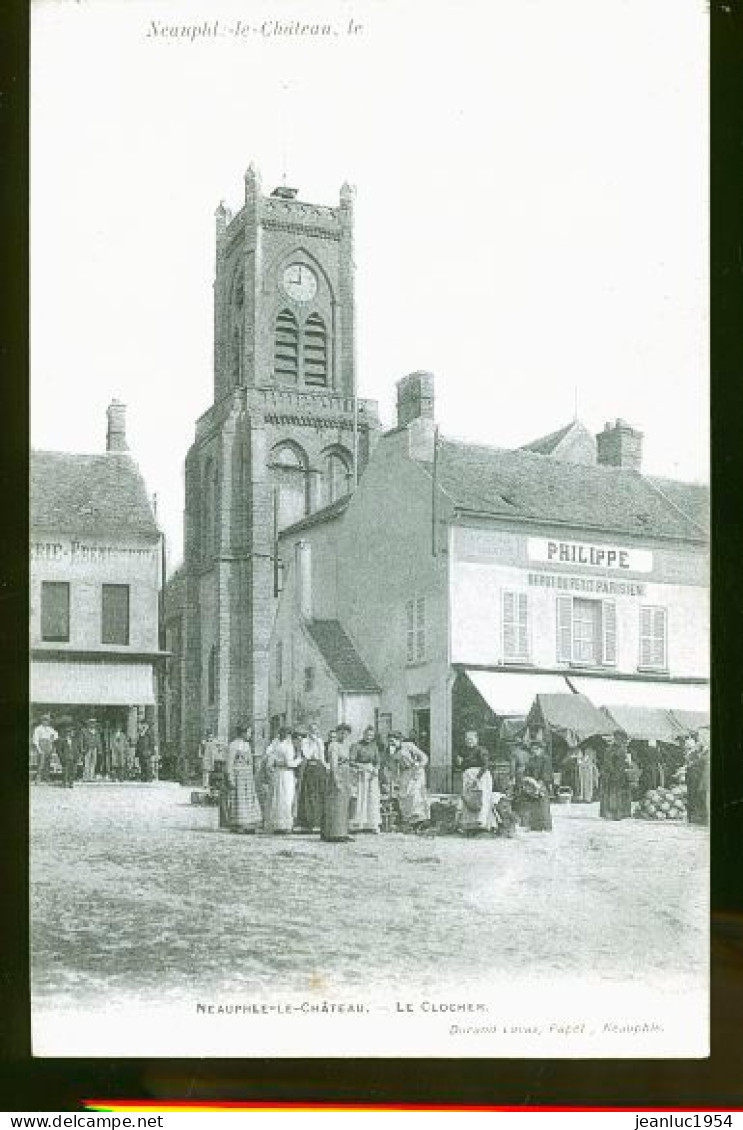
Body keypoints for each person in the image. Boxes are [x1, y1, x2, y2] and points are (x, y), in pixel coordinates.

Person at [225, 724, 262, 834]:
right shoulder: (233, 745)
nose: (250, 735)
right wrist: (230, 777)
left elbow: (250, 762)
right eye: (249, 732)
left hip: (247, 776)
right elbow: (229, 763)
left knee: (249, 799)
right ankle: (238, 824)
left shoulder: (247, 745)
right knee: (238, 799)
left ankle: (249, 823)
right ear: (242, 733)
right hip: (238, 775)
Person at [263, 726, 301, 833]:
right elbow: (289, 763)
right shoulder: (288, 746)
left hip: (277, 773)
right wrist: (298, 759)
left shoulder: (275, 745)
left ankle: (276, 824)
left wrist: (275, 765)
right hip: (286, 774)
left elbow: (269, 760)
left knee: (277, 797)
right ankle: (284, 825)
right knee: (287, 798)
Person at [390, 734, 430, 831]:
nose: (391, 743)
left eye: (393, 740)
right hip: (405, 772)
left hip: (416, 770)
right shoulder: (392, 751)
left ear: (399, 739)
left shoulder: (408, 746)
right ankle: (409, 820)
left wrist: (420, 765)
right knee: (403, 795)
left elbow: (424, 757)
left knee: (415, 794)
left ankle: (420, 820)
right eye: (389, 741)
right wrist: (395, 779)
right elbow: (394, 766)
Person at [321, 725, 354, 842]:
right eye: (342, 733)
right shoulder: (333, 746)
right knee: (335, 804)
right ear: (338, 733)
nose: (344, 735)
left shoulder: (345, 746)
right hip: (337, 774)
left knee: (344, 804)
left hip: (345, 774)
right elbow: (333, 763)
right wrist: (336, 779)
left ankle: (343, 832)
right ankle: (333, 833)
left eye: (346, 733)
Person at [349, 726, 381, 833]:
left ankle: (372, 824)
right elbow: (351, 761)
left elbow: (377, 761)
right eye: (367, 735)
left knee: (372, 797)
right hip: (360, 774)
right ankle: (359, 824)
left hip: (372, 774)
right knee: (361, 797)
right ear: (363, 734)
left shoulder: (374, 746)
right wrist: (362, 767)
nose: (369, 737)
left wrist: (376, 769)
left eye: (371, 735)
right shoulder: (356, 746)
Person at [295, 722, 327, 832]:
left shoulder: (320, 741)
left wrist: (326, 767)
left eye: (316, 730)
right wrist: (313, 744)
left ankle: (318, 822)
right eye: (312, 730)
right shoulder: (305, 741)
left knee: (319, 793)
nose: (314, 732)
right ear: (309, 731)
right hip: (309, 768)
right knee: (308, 794)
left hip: (318, 768)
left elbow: (322, 757)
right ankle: (307, 822)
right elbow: (307, 755)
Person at [460, 750, 494, 835]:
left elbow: (486, 765)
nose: (469, 741)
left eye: (471, 738)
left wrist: (477, 778)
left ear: (476, 739)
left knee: (482, 798)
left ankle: (482, 824)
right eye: (467, 739)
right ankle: (470, 825)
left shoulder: (481, 750)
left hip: (480, 776)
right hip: (468, 776)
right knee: (468, 798)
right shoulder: (464, 752)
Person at [599, 734, 633, 820]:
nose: (624, 742)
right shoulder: (613, 750)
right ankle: (614, 813)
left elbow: (624, 763)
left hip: (619, 774)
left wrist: (628, 764)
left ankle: (619, 812)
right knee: (614, 793)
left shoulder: (620, 749)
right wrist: (614, 772)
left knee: (618, 793)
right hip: (614, 774)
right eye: (623, 740)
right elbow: (608, 762)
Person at [32, 713, 58, 784]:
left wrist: (52, 740)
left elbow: (56, 736)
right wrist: (38, 749)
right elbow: (35, 740)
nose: (46, 722)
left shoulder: (51, 729)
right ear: (42, 721)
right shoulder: (38, 729)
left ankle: (47, 777)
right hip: (41, 746)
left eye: (47, 720)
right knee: (41, 763)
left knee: (48, 762)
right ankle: (38, 778)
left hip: (49, 746)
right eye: (44, 720)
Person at [55, 717, 78, 789]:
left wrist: (77, 756)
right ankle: (64, 782)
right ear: (67, 733)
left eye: (72, 732)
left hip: (73, 757)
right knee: (65, 771)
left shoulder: (74, 741)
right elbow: (59, 750)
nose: (72, 733)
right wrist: (61, 758)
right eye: (71, 732)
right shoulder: (62, 740)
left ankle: (71, 783)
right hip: (66, 757)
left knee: (72, 771)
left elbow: (76, 749)